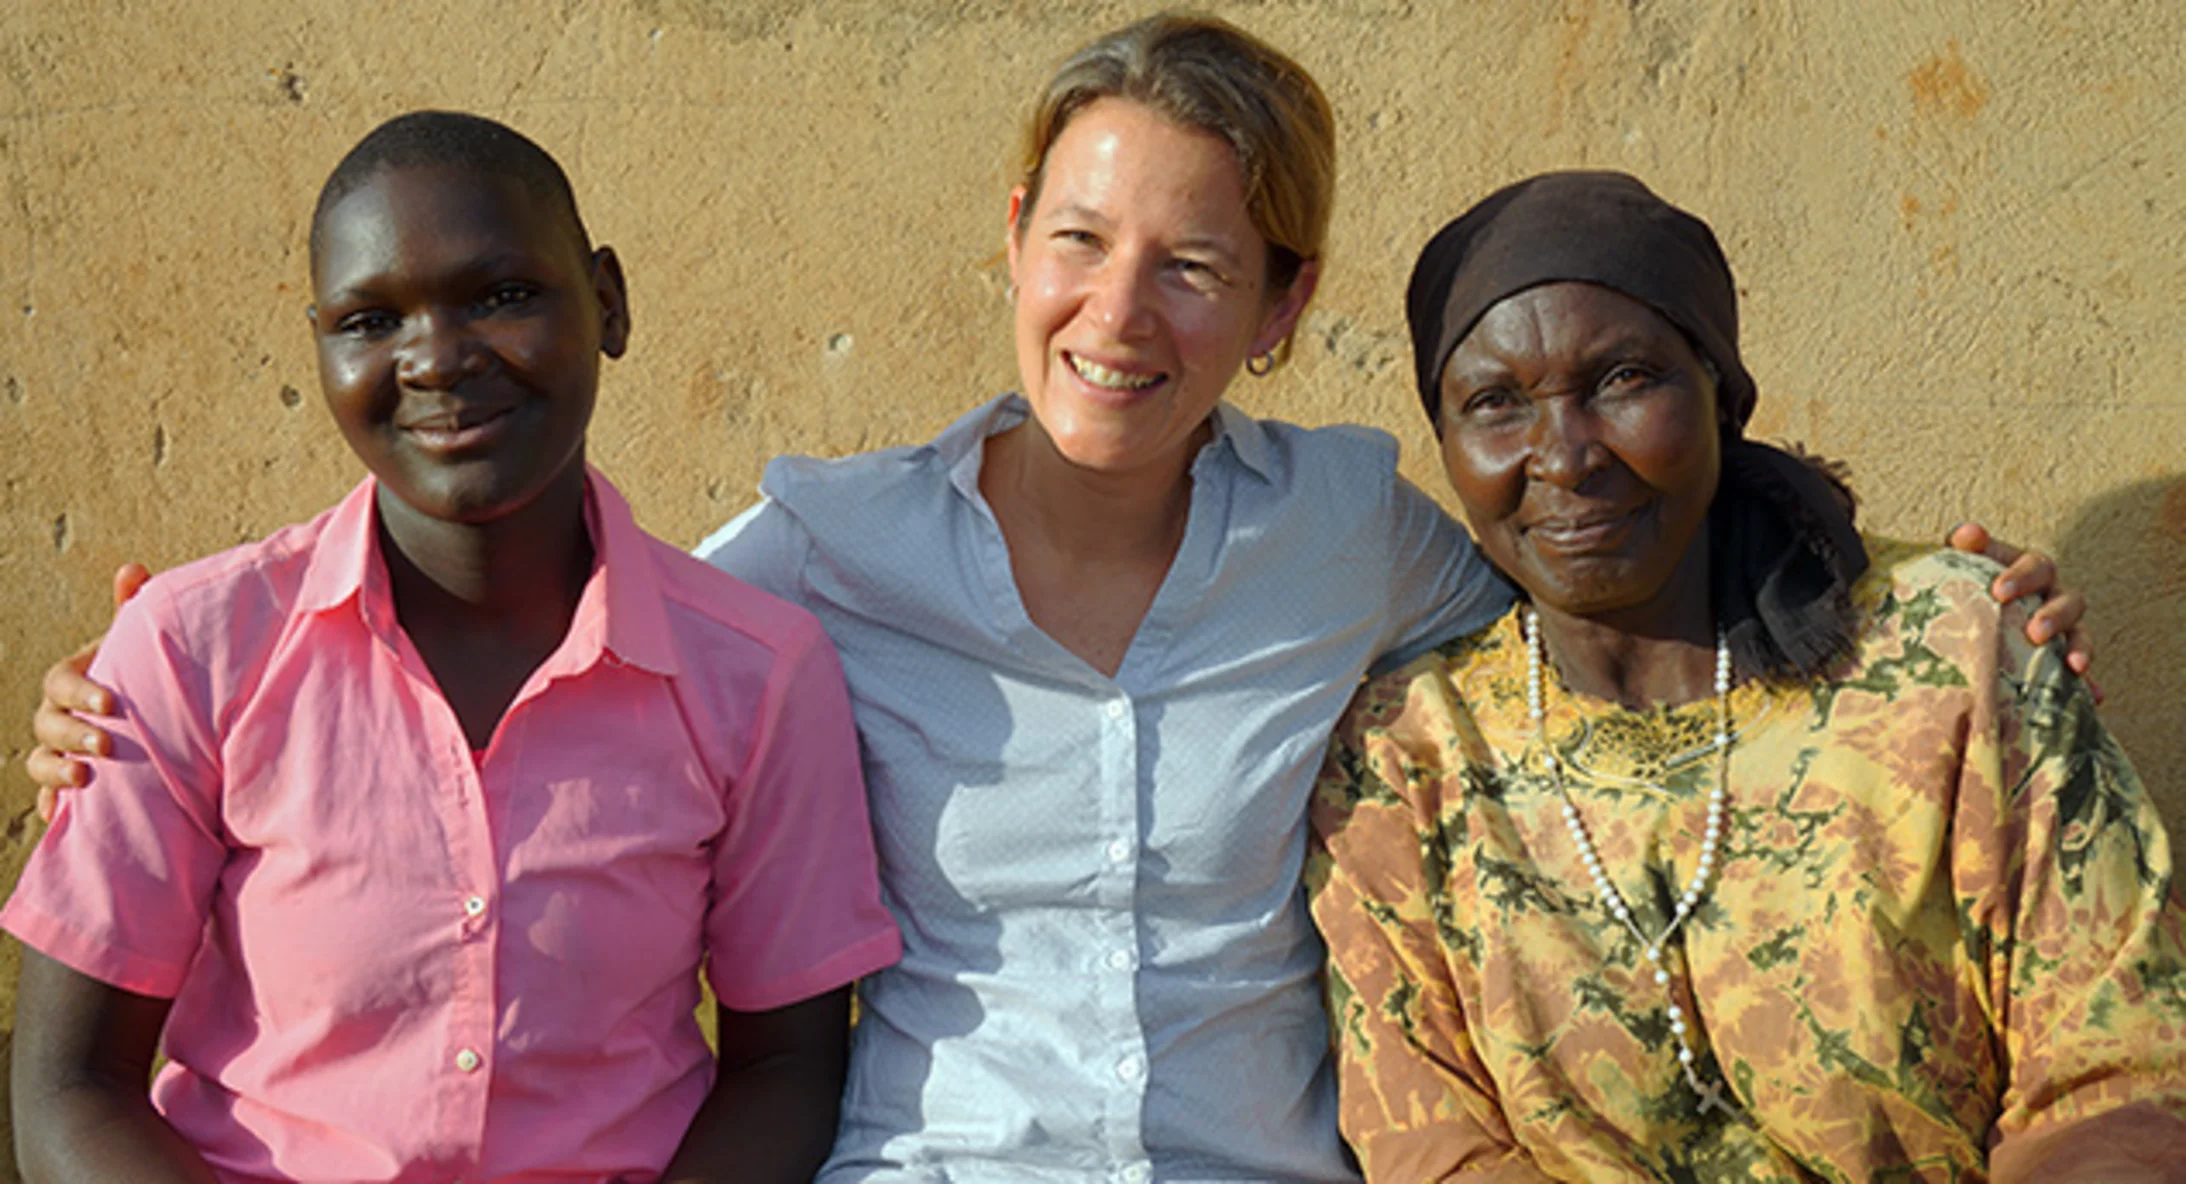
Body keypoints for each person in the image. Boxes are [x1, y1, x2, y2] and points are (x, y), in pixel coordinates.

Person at [21, 18, 2095, 1182]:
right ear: (1014, 235)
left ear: (1280, 307)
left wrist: (1926, 594)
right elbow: (554, 620)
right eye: (1081, 239)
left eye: (1196, 266)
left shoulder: (1359, 536)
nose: (1120, 315)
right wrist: (134, 687)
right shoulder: (814, 560)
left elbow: (1605, 551)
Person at [4, 111, 900, 1183]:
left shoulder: (755, 673)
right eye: (370, 318)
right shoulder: (192, 649)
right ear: (323, 346)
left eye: (502, 295)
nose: (435, 358)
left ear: (607, 302)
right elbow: (68, 1083)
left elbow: (788, 1064)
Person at [1308, 170, 2186, 1182]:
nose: (1563, 455)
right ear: (1446, 443)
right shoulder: (1402, 763)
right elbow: (1434, 1147)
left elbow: (2118, 1075)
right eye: (1495, 403)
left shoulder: (1948, 655)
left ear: (1720, 397)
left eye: (1621, 380)